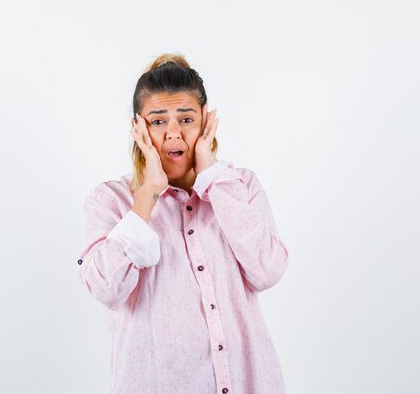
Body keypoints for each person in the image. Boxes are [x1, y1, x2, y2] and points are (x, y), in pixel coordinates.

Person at [76, 53, 290, 394]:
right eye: (158, 121)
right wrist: (147, 195)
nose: (173, 132)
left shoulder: (240, 186)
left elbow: (268, 270)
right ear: (138, 127)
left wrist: (214, 178)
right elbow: (105, 288)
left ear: (205, 122)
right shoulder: (111, 201)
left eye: (186, 119)